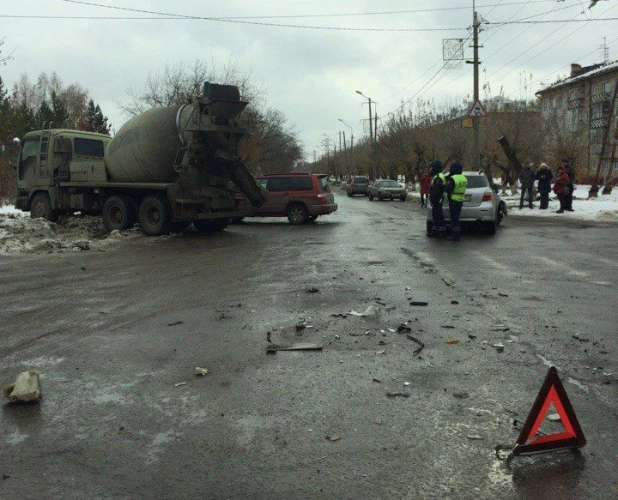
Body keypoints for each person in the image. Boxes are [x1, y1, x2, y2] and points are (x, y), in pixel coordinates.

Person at [445, 161, 467, 241]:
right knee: (457, 217)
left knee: (454, 218)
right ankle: (456, 234)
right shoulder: (463, 178)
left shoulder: (453, 178)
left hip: (454, 199)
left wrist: (445, 187)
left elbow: (448, 189)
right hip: (461, 199)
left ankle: (455, 236)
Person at [428, 160, 446, 238]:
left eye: (431, 168)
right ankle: (435, 231)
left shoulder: (438, 177)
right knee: (435, 215)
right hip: (437, 200)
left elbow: (436, 190)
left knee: (439, 216)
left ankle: (441, 232)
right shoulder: (437, 176)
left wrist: (433, 200)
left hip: (437, 200)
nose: (430, 170)